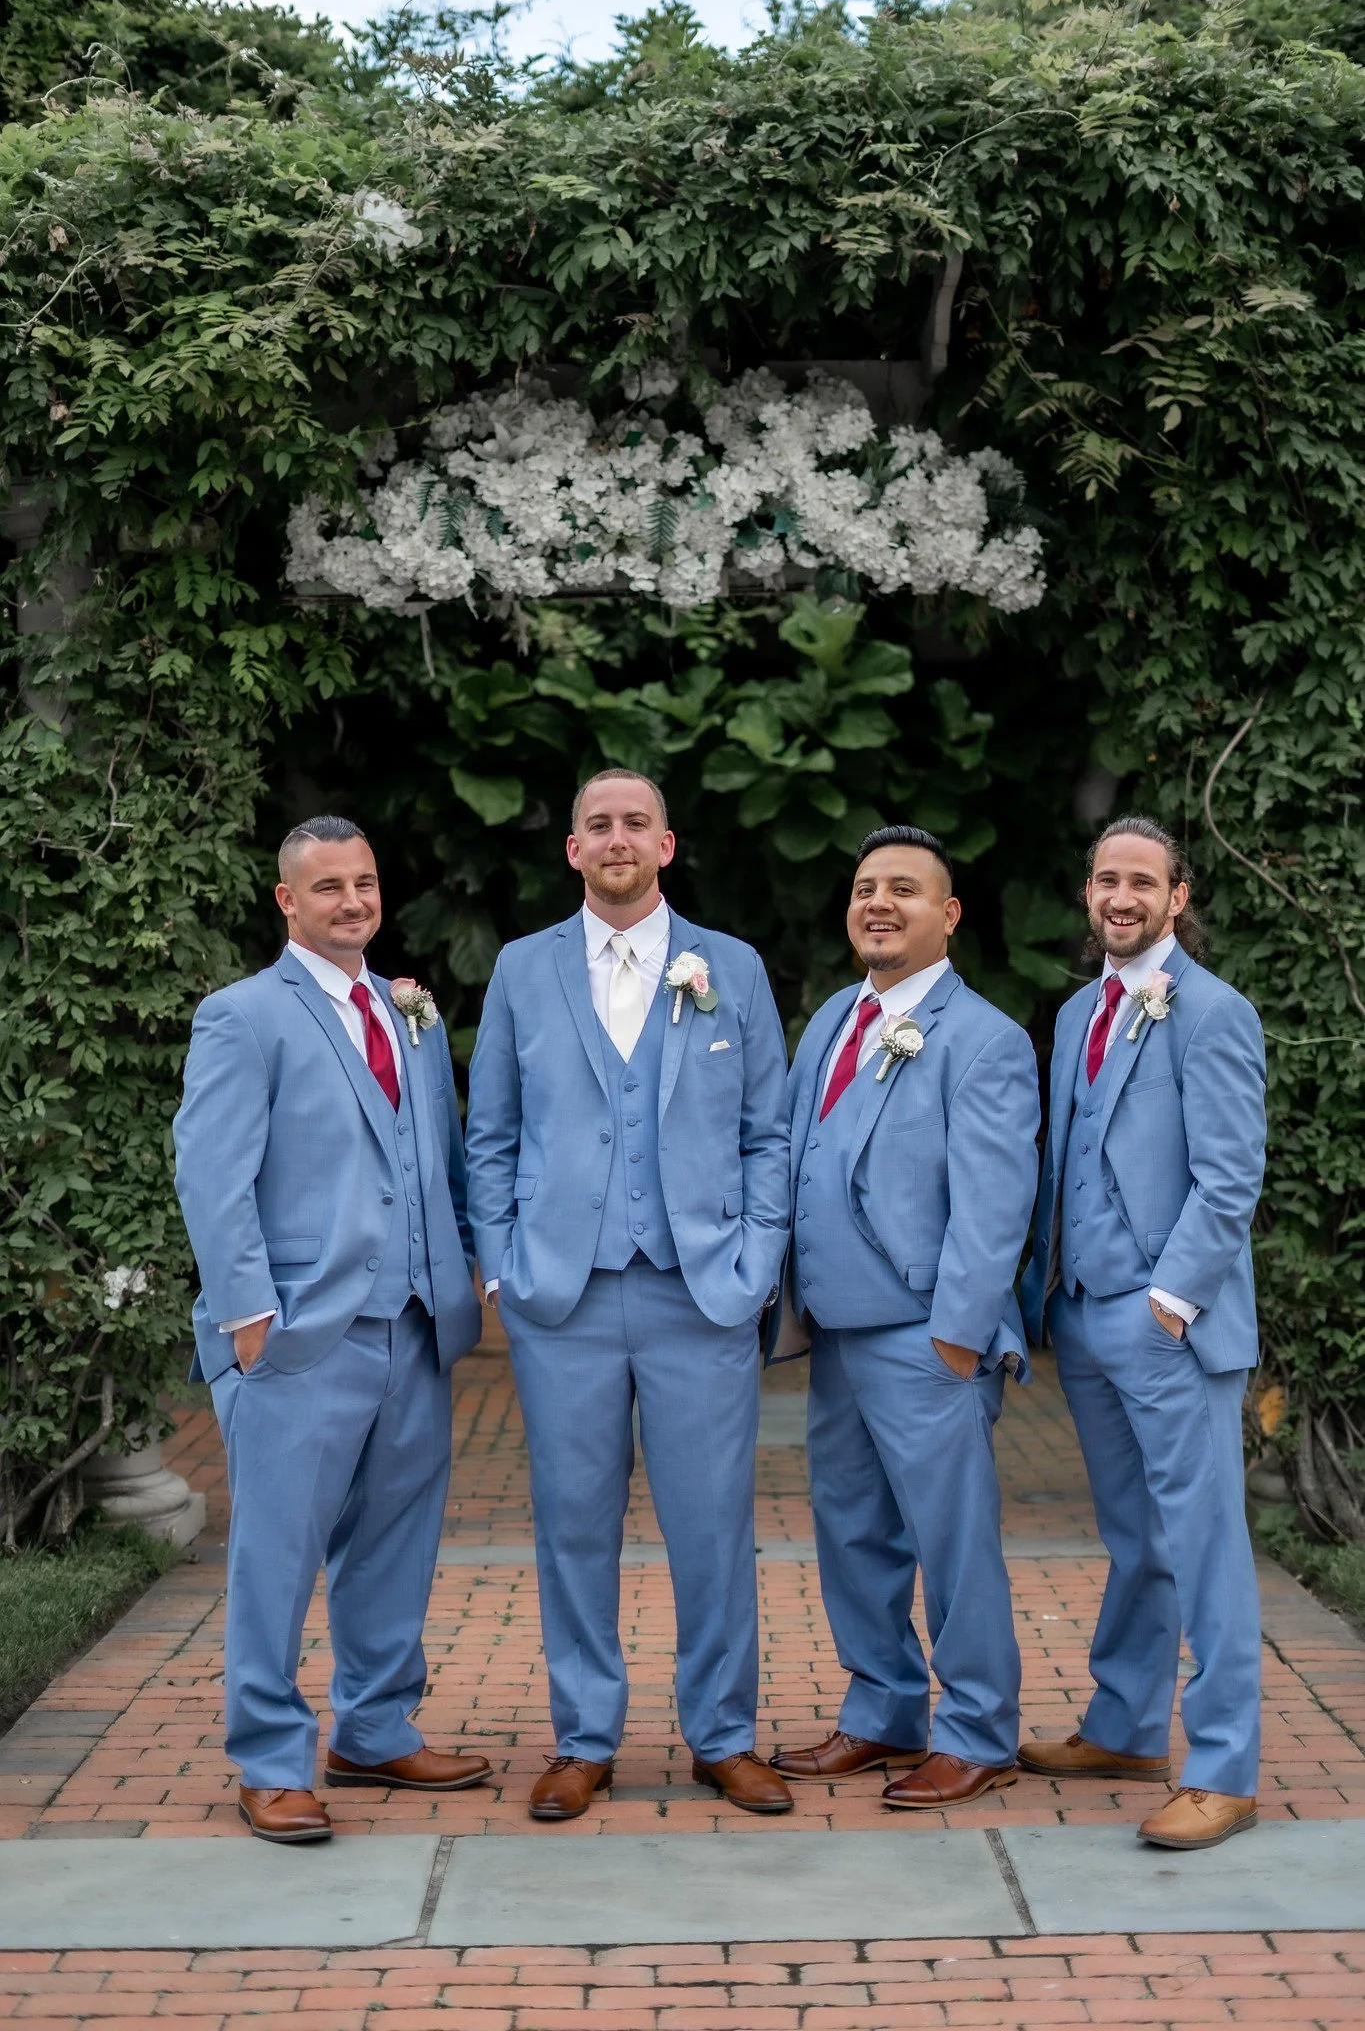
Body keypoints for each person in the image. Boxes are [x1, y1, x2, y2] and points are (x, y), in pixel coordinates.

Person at [464, 769, 793, 1820]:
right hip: (561, 1293)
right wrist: (504, 1265)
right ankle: (584, 1737)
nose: (616, 837)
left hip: (700, 1293)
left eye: (634, 823)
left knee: (714, 1522)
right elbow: (492, 1135)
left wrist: (754, 1261)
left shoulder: (729, 967)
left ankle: (724, 1736)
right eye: (597, 823)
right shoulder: (522, 969)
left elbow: (768, 1133)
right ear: (572, 848)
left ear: (666, 843)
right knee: (573, 1522)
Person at [173, 815, 489, 1844]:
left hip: (410, 1321)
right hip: (299, 1330)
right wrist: (250, 1316)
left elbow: (434, 1160)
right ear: (287, 901)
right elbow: (211, 1175)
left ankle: (375, 1725)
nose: (351, 901)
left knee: (395, 1541)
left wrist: (460, 1272)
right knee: (279, 1551)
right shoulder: (243, 1015)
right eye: (327, 887)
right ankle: (270, 1758)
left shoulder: (412, 1013)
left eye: (363, 882)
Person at [769, 826, 1039, 1809]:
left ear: (949, 914)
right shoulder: (835, 1017)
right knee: (852, 1529)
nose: (879, 903)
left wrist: (959, 1334)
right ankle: (883, 1707)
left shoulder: (987, 1038)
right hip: (836, 1331)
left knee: (951, 1538)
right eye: (865, 887)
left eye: (905, 890)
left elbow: (996, 1199)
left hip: (930, 1333)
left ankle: (978, 1730)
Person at [1019, 816, 1266, 1850]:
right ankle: (1124, 1724)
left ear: (1178, 894)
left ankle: (1224, 1767)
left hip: (1167, 1320)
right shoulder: (1081, 1010)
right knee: (1137, 1537)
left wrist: (1170, 1301)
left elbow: (1229, 1174)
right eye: (1105, 879)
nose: (1121, 896)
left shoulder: (1213, 1011)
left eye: (1141, 881)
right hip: (1080, 1313)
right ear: (1090, 892)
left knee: (1204, 1544)